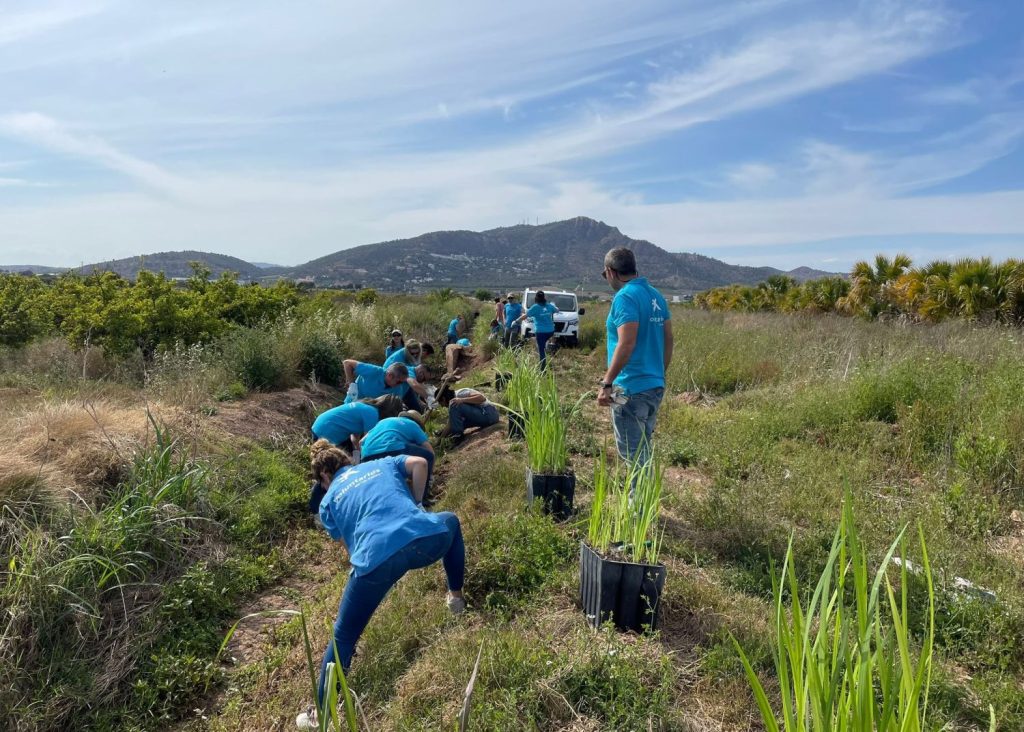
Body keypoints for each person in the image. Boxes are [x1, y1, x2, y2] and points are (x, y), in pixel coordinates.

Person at [296, 441, 465, 729]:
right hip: (425, 538)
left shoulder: (328, 501)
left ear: (324, 476)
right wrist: (416, 502)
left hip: (375, 562)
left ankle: (320, 716)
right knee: (450, 520)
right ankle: (456, 598)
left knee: (344, 635)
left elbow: (348, 547)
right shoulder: (381, 463)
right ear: (347, 462)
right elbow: (420, 464)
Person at [596, 247, 674, 471]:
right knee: (643, 453)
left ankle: (638, 506)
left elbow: (626, 342)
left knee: (635, 460)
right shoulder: (655, 295)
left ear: (611, 272)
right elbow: (668, 339)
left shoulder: (625, 297)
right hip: (654, 385)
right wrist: (659, 372)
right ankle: (644, 503)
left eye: (605, 275)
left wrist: (607, 382)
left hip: (630, 389)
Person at [383, 340, 435, 411]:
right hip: (390, 386)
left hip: (403, 384)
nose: (415, 355)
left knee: (418, 408)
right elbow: (413, 383)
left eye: (417, 353)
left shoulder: (413, 359)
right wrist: (428, 397)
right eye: (413, 353)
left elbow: (416, 381)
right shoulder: (400, 361)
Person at [513, 290, 558, 371]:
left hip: (541, 332)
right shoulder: (549, 306)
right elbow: (557, 310)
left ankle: (542, 370)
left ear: (536, 298)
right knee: (544, 344)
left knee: (541, 350)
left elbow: (525, 316)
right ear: (544, 298)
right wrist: (555, 306)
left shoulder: (535, 307)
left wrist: (516, 321)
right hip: (550, 331)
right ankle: (548, 346)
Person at [342, 360, 410, 404]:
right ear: (390, 376)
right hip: (351, 403)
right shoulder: (374, 371)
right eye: (399, 382)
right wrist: (352, 385)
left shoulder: (398, 389)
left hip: (369, 414)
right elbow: (347, 363)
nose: (401, 385)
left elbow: (396, 406)